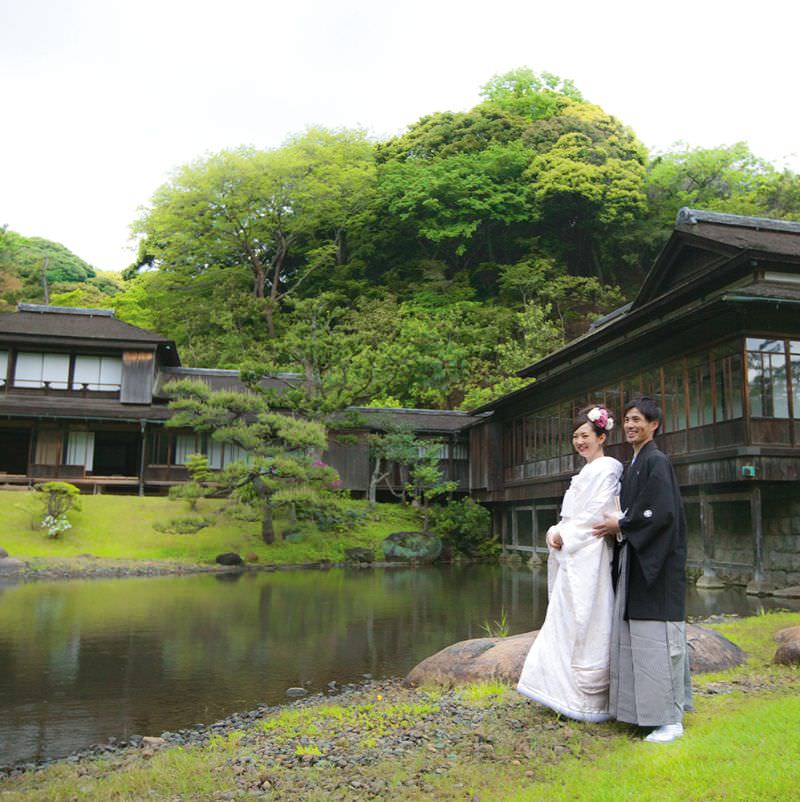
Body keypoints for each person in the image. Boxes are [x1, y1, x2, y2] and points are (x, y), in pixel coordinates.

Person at [592, 396, 692, 743]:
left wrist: (621, 524)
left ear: (654, 425)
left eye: (638, 420)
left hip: (658, 565)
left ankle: (670, 719)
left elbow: (660, 513)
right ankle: (642, 713)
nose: (631, 425)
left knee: (659, 641)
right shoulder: (635, 463)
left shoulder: (656, 461)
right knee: (637, 635)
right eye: (627, 420)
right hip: (638, 559)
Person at [517, 405, 622, 722]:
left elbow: (596, 513)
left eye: (586, 436)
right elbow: (573, 515)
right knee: (564, 618)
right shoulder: (585, 472)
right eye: (576, 436)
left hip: (590, 554)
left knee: (588, 619)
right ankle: (558, 693)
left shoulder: (607, 469)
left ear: (601, 437)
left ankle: (588, 700)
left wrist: (565, 534)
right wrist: (557, 531)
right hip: (573, 553)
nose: (580, 441)